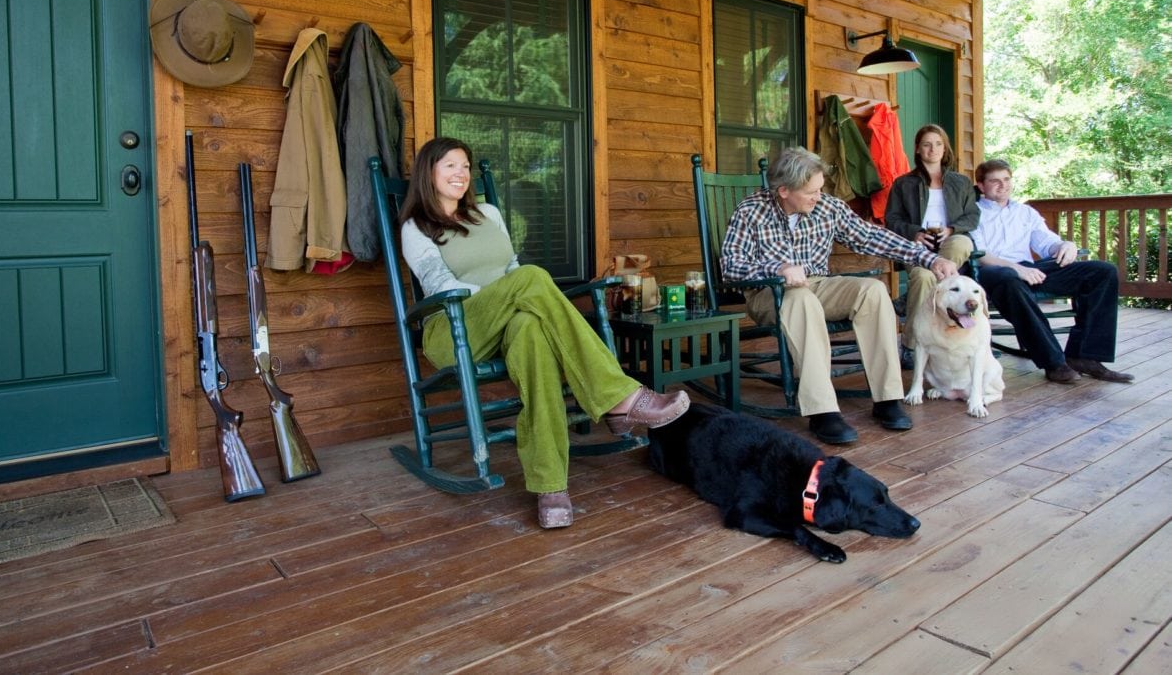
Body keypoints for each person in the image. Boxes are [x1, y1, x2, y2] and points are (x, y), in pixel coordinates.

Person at [399, 137, 689, 529]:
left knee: (532, 332)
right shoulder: (416, 228)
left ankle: (551, 487)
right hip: (454, 328)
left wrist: (515, 298)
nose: (462, 173)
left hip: (509, 320)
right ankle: (619, 395)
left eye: (466, 166)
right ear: (428, 172)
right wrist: (506, 295)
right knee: (531, 278)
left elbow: (510, 266)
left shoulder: (488, 214)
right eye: (450, 165)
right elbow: (440, 286)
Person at [720, 147, 958, 445]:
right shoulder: (751, 210)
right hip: (770, 292)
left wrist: (929, 259)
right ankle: (823, 411)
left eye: (820, 189)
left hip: (819, 284)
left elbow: (873, 237)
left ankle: (887, 398)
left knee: (872, 291)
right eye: (811, 191)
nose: (818, 196)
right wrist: (778, 268)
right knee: (801, 299)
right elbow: (730, 266)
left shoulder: (827, 207)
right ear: (783, 191)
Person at [970, 159, 1133, 384]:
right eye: (994, 181)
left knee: (1102, 272)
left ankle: (1084, 355)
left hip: (1030, 271)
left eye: (1006, 180)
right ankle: (1054, 362)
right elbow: (979, 253)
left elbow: (1045, 242)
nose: (1003, 185)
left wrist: (1065, 245)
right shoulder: (972, 212)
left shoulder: (1025, 212)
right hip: (993, 273)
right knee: (1009, 278)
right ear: (981, 185)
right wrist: (1016, 269)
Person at [885, 125, 980, 361]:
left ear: (945, 147)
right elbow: (892, 219)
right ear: (917, 149)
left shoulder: (960, 182)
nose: (933, 149)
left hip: (950, 243)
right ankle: (911, 345)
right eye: (926, 144)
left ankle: (908, 300)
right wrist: (915, 233)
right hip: (918, 247)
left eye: (938, 144)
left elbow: (972, 216)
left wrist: (952, 229)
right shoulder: (903, 183)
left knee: (961, 244)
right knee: (922, 276)